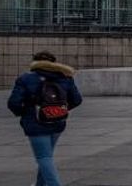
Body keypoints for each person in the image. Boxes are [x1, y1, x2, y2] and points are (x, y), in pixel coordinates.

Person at [7, 51, 83, 186]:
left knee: (44, 157)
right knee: (46, 156)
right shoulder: (65, 78)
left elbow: (14, 103)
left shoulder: (26, 78)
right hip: (58, 122)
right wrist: (59, 110)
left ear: (35, 63)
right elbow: (76, 100)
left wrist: (27, 112)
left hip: (36, 123)